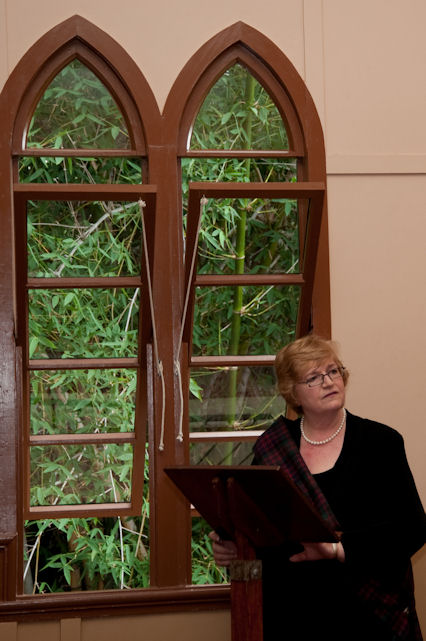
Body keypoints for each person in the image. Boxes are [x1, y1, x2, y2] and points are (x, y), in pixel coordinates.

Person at [210, 334, 425, 641]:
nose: (328, 381)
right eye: (313, 377)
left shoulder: (382, 443)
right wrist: (235, 549)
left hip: (368, 616)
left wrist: (337, 549)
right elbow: (265, 533)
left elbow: (412, 530)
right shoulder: (273, 449)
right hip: (292, 616)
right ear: (292, 392)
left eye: (333, 371)